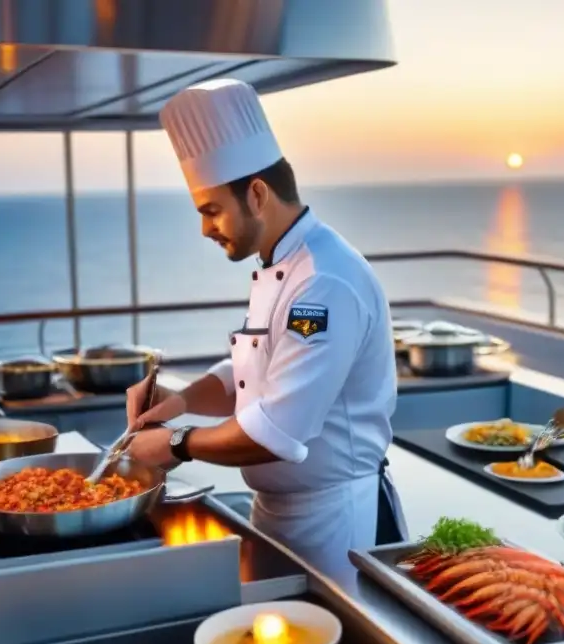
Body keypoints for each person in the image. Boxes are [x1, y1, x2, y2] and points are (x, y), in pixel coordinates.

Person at [124, 78, 406, 589]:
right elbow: (252, 371)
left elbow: (276, 429)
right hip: (279, 514)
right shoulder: (282, 263)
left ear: (256, 194)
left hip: (336, 524)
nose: (205, 229)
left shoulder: (324, 281)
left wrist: (176, 444)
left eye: (211, 210)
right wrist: (177, 399)